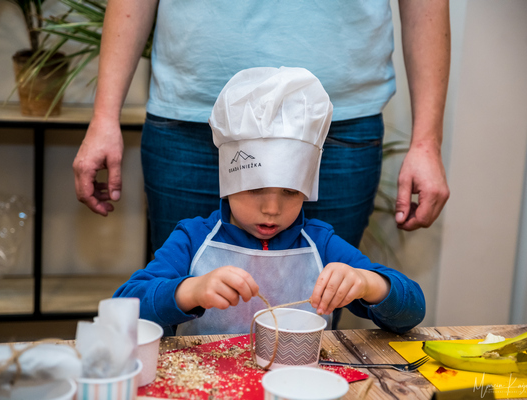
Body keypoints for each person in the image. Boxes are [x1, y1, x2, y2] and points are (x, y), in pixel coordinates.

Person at [72, 1, 451, 255]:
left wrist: (427, 143)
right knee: (182, 309)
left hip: (336, 128)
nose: (272, 208)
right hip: (191, 122)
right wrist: (104, 117)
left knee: (315, 315)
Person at [113, 67, 425, 337]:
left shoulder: (322, 245)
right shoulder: (192, 241)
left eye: (290, 192)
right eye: (255, 190)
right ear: (228, 181)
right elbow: (124, 310)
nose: (272, 209)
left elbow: (412, 312)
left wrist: (369, 284)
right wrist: (188, 291)